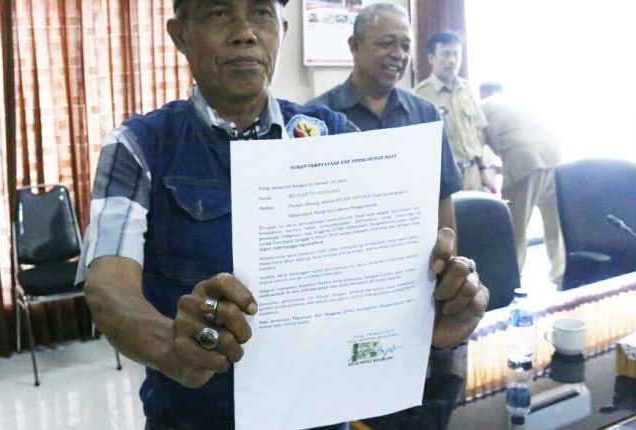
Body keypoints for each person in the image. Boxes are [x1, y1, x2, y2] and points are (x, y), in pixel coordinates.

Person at [77, 1, 490, 429]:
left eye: (261, 13)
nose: (245, 32)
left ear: (283, 29)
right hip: (194, 418)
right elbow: (108, 287)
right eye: (219, 13)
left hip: (320, 418)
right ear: (180, 35)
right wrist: (170, 346)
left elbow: (380, 275)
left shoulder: (333, 137)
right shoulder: (140, 145)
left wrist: (430, 306)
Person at [309, 3, 462, 232]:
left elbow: (443, 196)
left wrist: (448, 251)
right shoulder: (315, 119)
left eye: (406, 46)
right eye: (386, 43)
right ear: (355, 46)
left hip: (414, 249)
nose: (399, 54)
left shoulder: (426, 115)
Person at [479, 82, 565, 284]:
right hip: (553, 158)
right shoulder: (514, 103)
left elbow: (476, 146)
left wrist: (483, 173)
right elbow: (520, 137)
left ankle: (511, 281)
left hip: (524, 161)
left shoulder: (484, 105)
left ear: (483, 93)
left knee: (514, 229)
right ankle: (562, 276)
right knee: (555, 227)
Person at [413, 31, 490, 192]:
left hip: (474, 173)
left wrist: (483, 170)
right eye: (446, 54)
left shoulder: (467, 89)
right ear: (431, 58)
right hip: (446, 178)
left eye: (456, 54)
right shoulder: (420, 95)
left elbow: (478, 132)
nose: (452, 60)